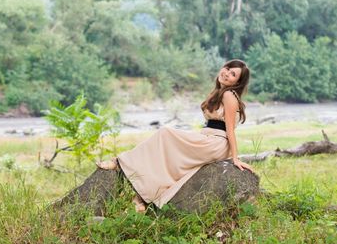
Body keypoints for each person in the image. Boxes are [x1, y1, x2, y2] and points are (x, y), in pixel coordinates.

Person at [97, 59, 254, 212]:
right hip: (207, 137)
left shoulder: (229, 96)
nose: (227, 74)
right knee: (169, 158)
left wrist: (235, 158)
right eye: (227, 69)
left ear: (237, 83)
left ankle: (119, 162)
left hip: (216, 142)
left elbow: (230, 130)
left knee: (165, 133)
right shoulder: (218, 93)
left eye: (233, 74)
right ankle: (142, 197)